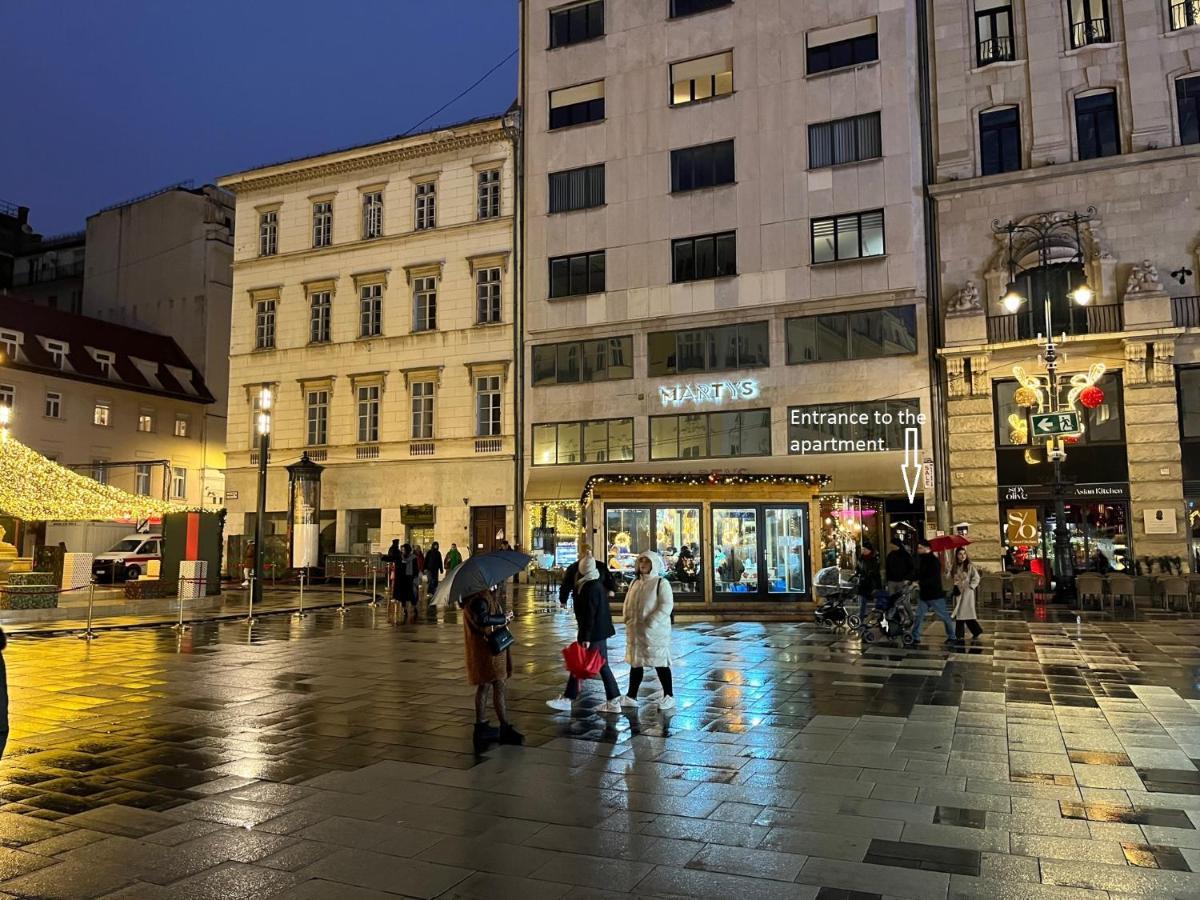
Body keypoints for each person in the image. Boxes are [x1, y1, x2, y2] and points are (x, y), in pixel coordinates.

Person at [548, 555, 622, 713]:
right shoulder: (591, 583)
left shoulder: (591, 586)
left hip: (594, 632)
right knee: (598, 665)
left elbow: (590, 614)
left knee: (579, 664)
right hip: (597, 631)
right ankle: (613, 700)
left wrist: (586, 637)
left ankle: (569, 699)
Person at [462, 588, 523, 746]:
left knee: (485, 685)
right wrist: (503, 618)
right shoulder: (479, 598)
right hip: (488, 650)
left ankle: (481, 727)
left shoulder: (476, 596)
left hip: (483, 649)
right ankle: (504, 728)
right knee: (499, 684)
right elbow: (483, 619)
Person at [621, 551, 675, 710]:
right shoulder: (635, 583)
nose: (643, 564)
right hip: (636, 630)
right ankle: (631, 695)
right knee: (636, 663)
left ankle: (668, 695)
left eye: (647, 561)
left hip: (654, 632)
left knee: (660, 663)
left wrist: (652, 620)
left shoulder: (661, 583)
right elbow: (627, 602)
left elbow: (666, 605)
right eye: (641, 561)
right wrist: (627, 617)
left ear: (653, 564)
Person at [912, 538, 955, 644]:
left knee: (944, 615)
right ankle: (915, 636)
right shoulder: (922, 560)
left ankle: (952, 636)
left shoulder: (933, 561)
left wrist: (920, 583)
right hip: (924, 594)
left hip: (935, 594)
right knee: (919, 615)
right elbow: (920, 574)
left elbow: (933, 578)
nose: (918, 550)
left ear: (927, 548)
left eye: (920, 548)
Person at [560, 544, 616, 610]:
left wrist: (563, 600)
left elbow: (566, 584)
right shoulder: (601, 566)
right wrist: (611, 590)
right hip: (598, 598)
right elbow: (609, 580)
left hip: (581, 599)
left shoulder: (573, 568)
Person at [950, 547, 983, 640]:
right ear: (957, 555)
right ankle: (976, 630)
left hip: (967, 592)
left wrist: (972, 586)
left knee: (962, 612)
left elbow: (976, 577)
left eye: (964, 553)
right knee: (964, 612)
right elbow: (949, 577)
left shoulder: (969, 566)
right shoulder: (954, 566)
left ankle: (959, 634)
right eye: (960, 554)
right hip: (958, 591)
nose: (962, 556)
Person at [855, 544, 882, 619]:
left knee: (874, 602)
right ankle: (861, 617)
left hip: (871, 584)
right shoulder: (861, 559)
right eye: (862, 549)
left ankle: (875, 617)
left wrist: (878, 586)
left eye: (864, 549)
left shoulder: (873, 560)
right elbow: (858, 568)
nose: (863, 551)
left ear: (869, 550)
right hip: (862, 583)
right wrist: (858, 574)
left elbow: (876, 573)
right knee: (862, 601)